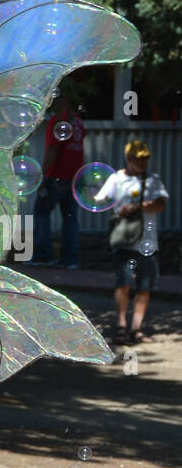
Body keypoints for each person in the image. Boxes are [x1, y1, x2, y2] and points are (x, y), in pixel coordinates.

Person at [97, 140, 167, 346]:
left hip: (147, 242)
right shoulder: (115, 179)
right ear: (128, 158)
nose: (144, 162)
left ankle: (136, 328)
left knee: (145, 287)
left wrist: (139, 205)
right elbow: (100, 200)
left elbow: (161, 204)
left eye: (146, 158)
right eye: (139, 158)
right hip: (124, 241)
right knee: (124, 283)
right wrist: (119, 208)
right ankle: (121, 326)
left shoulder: (153, 180)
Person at [31, 95, 84, 268]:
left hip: (56, 177)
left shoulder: (58, 121)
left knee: (41, 212)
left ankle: (42, 256)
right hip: (74, 177)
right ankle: (70, 260)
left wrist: (43, 175)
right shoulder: (78, 122)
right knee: (70, 218)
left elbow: (53, 150)